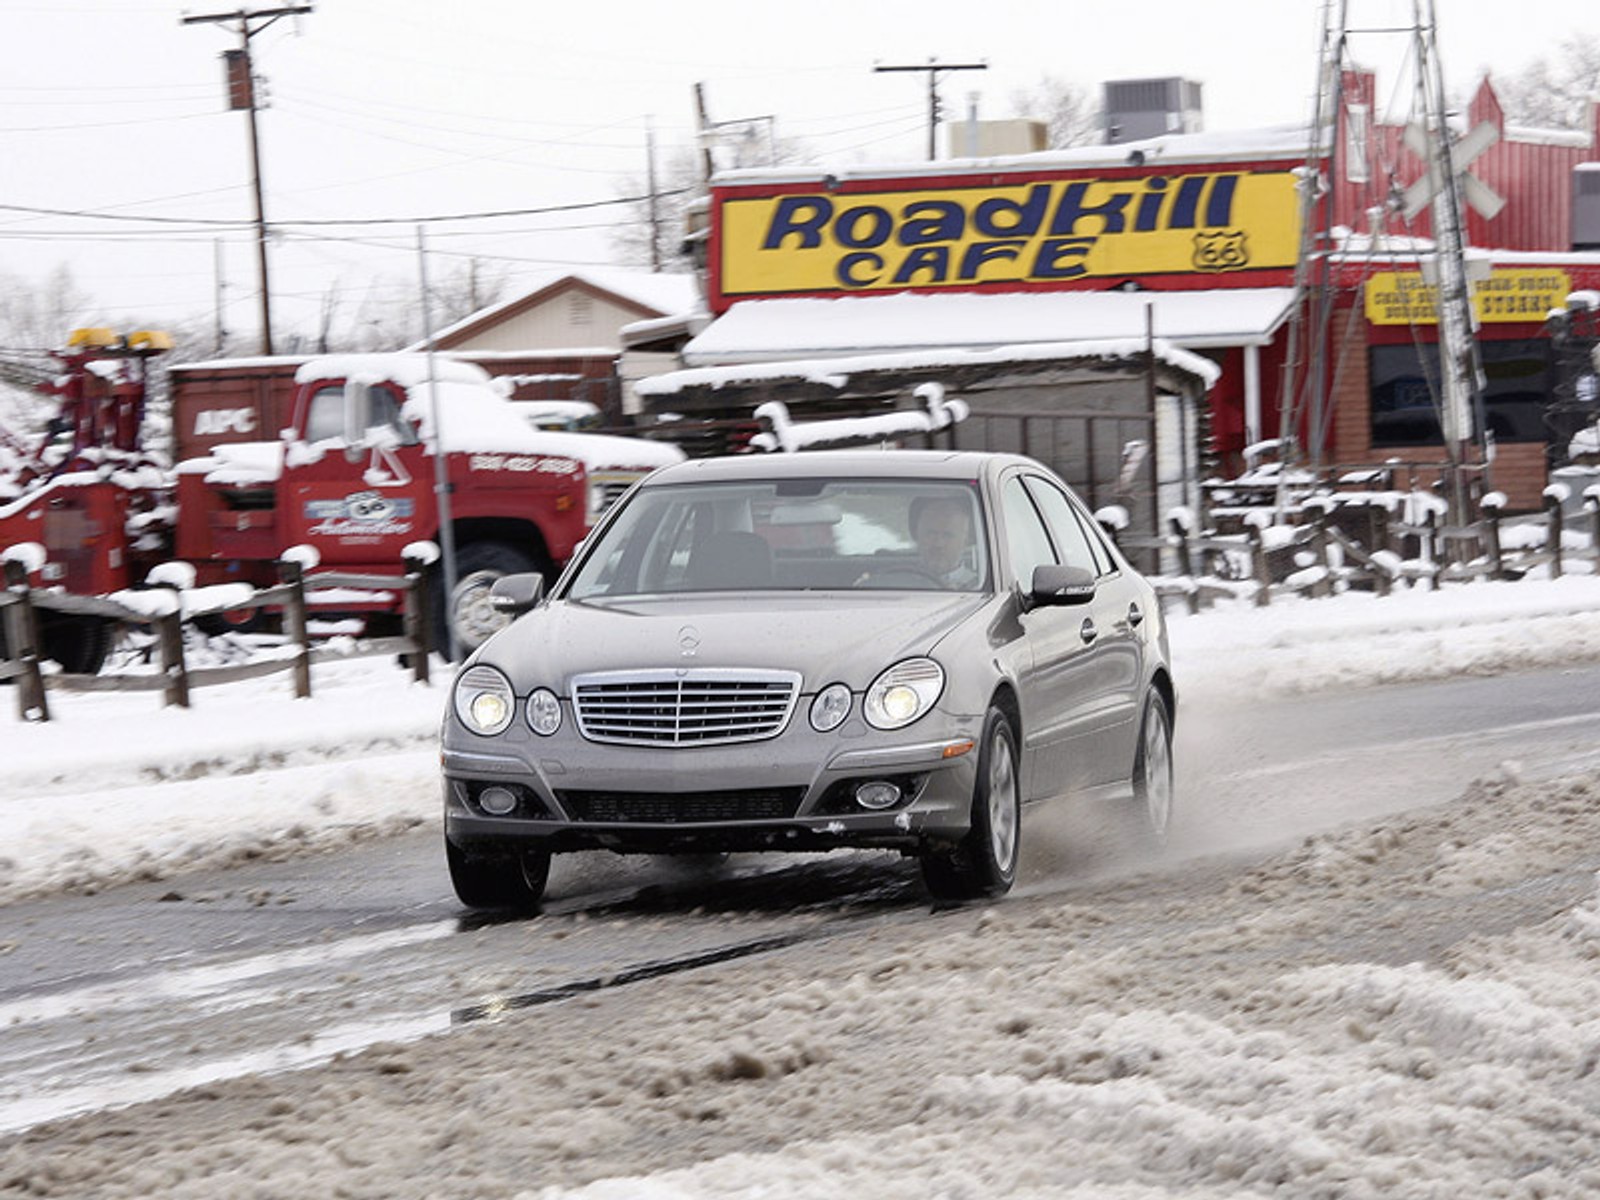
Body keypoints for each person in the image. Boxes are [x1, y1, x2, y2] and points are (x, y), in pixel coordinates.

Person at [908, 494, 980, 588]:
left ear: (966, 540)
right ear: (916, 535)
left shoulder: (979, 587)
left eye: (948, 535)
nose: (938, 543)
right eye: (931, 533)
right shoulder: (895, 583)